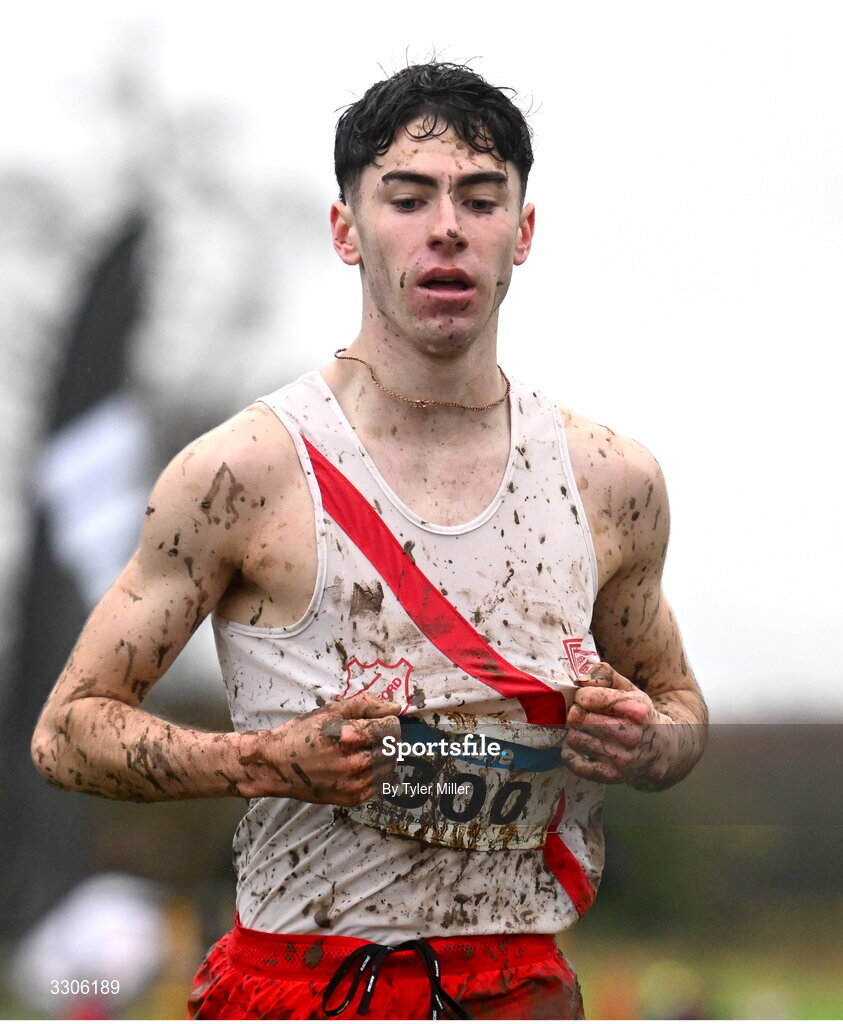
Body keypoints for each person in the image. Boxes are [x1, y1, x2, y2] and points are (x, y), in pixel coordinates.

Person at [32, 62, 707, 1020]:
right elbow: (67, 733)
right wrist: (262, 762)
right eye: (407, 197)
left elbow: (679, 711)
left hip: (519, 987)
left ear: (520, 234)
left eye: (479, 199)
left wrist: (652, 743)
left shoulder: (611, 480)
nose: (445, 228)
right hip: (304, 983)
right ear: (346, 229)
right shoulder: (243, 474)